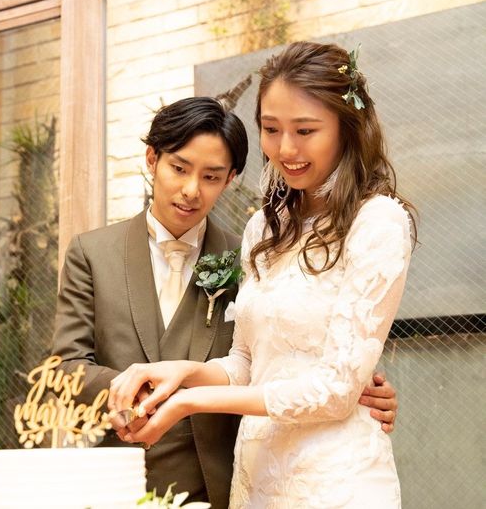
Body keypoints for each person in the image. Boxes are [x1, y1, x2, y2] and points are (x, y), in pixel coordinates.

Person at [52, 95, 399, 508]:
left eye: (211, 176)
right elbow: (66, 368)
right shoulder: (92, 253)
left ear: (231, 178)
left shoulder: (254, 255)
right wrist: (142, 391)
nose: (190, 190)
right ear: (152, 159)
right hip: (118, 479)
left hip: (218, 482)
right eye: (179, 168)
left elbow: (278, 353)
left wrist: (359, 385)